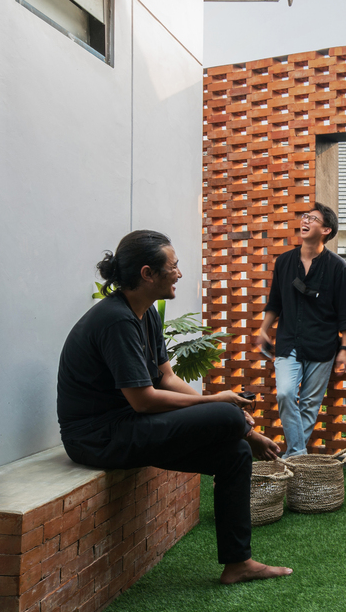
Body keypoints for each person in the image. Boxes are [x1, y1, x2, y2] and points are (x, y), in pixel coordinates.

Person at [57, 229, 292, 585]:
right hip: (97, 437)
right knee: (226, 412)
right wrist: (219, 406)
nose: (180, 273)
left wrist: (232, 424)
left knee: (234, 455)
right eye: (174, 266)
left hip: (128, 425)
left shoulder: (146, 313)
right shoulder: (116, 319)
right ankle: (237, 427)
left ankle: (237, 563)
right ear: (148, 273)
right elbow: (144, 399)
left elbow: (165, 378)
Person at [251, 202, 346, 458]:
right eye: (305, 217)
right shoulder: (284, 262)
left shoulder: (338, 267)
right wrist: (263, 329)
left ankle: (292, 462)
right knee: (286, 393)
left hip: (322, 346)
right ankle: (296, 456)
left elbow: (345, 313)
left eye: (313, 218)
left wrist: (344, 348)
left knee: (310, 405)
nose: (305, 221)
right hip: (288, 342)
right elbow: (274, 302)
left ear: (327, 230)